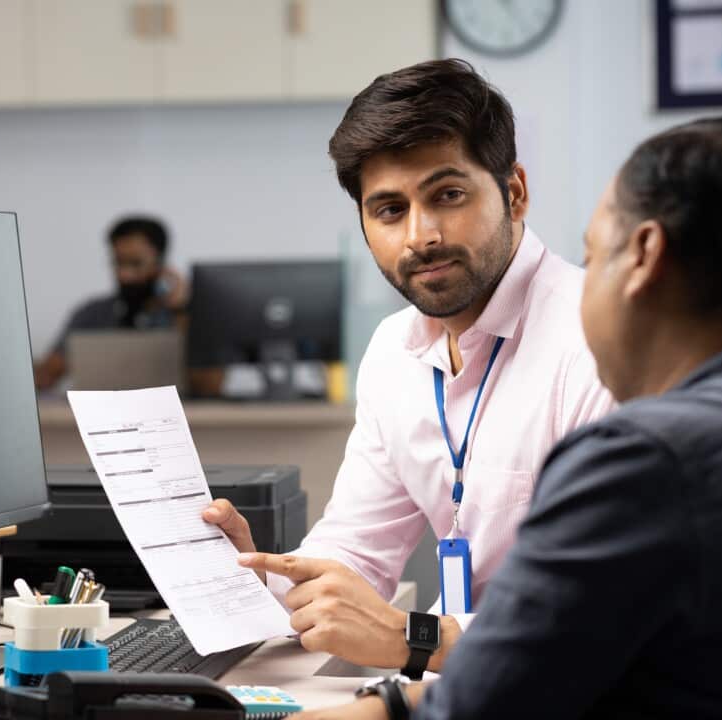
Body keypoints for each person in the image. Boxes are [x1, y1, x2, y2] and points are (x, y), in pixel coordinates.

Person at [282, 117, 722, 719]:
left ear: (643, 256)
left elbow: (490, 705)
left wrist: (389, 688)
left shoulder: (655, 455)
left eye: (593, 258)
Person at [202, 58, 615, 674]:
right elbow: (356, 553)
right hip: (472, 687)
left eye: (447, 195)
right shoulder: (393, 352)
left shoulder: (600, 342)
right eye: (390, 210)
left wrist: (416, 638)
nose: (420, 235)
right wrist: (256, 578)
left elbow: (607, 617)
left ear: (514, 192)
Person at [34, 215, 188, 389]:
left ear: (160, 263)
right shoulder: (91, 314)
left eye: (136, 264)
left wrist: (180, 311)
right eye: (118, 263)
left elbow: (209, 386)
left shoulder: (185, 315)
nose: (124, 274)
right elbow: (46, 376)